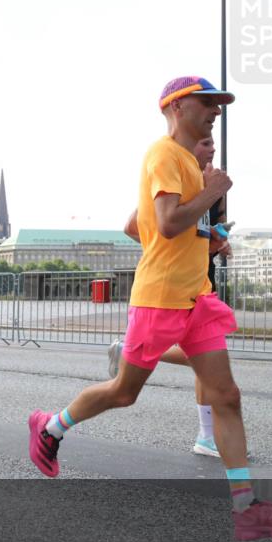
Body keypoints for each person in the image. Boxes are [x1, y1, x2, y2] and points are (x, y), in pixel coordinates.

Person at [27, 76, 272, 541]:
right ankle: (50, 426)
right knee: (123, 392)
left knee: (227, 396)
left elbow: (145, 225)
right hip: (159, 300)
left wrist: (206, 239)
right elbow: (166, 223)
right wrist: (210, 195)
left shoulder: (190, 165)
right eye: (208, 103)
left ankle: (247, 510)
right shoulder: (163, 154)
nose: (216, 111)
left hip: (197, 299)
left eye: (219, 105)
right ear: (175, 106)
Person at [108, 135, 232, 458]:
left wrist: (220, 242)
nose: (213, 148)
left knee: (208, 361)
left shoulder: (216, 186)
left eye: (214, 143)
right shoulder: (172, 173)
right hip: (173, 284)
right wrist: (165, 248)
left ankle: (206, 436)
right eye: (206, 142)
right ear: (189, 145)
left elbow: (211, 230)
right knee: (204, 360)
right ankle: (134, 351)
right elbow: (132, 226)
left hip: (203, 278)